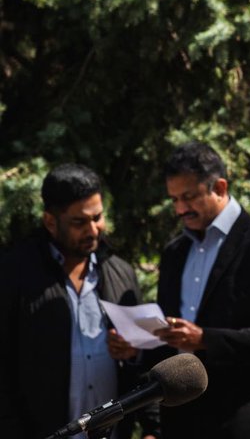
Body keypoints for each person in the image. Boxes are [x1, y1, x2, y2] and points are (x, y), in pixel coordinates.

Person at [112, 141, 250, 439]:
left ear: (220, 187)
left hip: (248, 420)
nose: (180, 209)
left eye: (188, 197)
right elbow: (174, 341)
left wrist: (204, 339)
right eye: (174, 199)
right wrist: (137, 348)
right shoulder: (175, 253)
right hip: (184, 422)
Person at [0, 164, 157, 439]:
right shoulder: (14, 275)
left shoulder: (122, 273)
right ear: (50, 221)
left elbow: (144, 365)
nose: (94, 230)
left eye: (98, 217)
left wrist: (152, 428)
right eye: (79, 222)